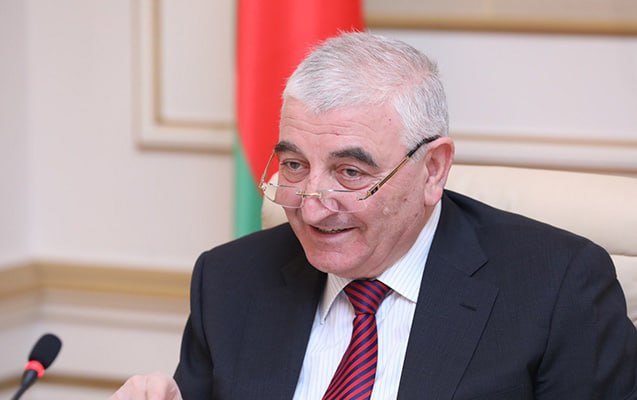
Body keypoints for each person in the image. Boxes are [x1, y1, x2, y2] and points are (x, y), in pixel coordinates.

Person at [111, 32, 637, 400]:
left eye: (350, 173)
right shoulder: (229, 280)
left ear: (433, 169)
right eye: (294, 165)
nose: (312, 205)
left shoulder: (557, 289)